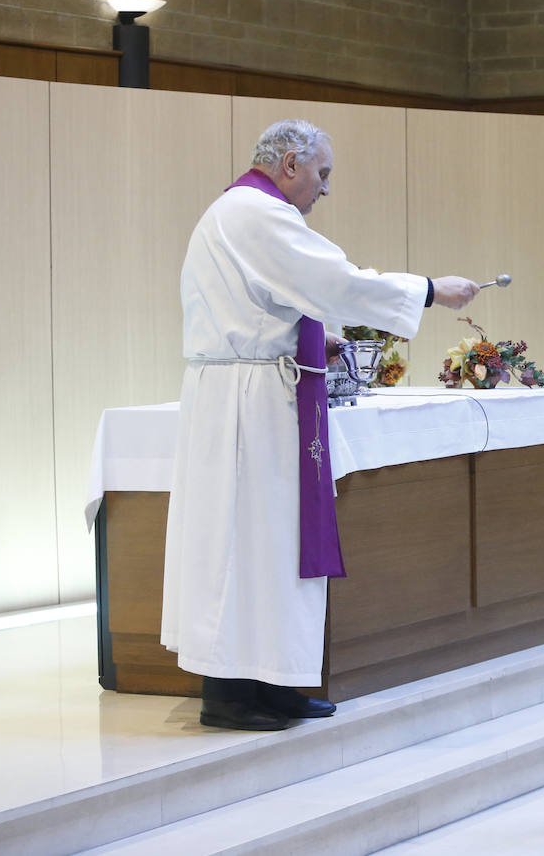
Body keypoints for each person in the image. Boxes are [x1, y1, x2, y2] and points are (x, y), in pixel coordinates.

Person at [160, 119, 479, 731]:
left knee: (274, 544)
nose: (324, 189)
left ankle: (273, 680)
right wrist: (432, 290)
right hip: (245, 403)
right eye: (322, 174)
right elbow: (334, 281)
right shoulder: (254, 212)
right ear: (289, 164)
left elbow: (272, 300)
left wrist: (304, 335)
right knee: (244, 542)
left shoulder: (249, 211)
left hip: (262, 390)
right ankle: (229, 690)